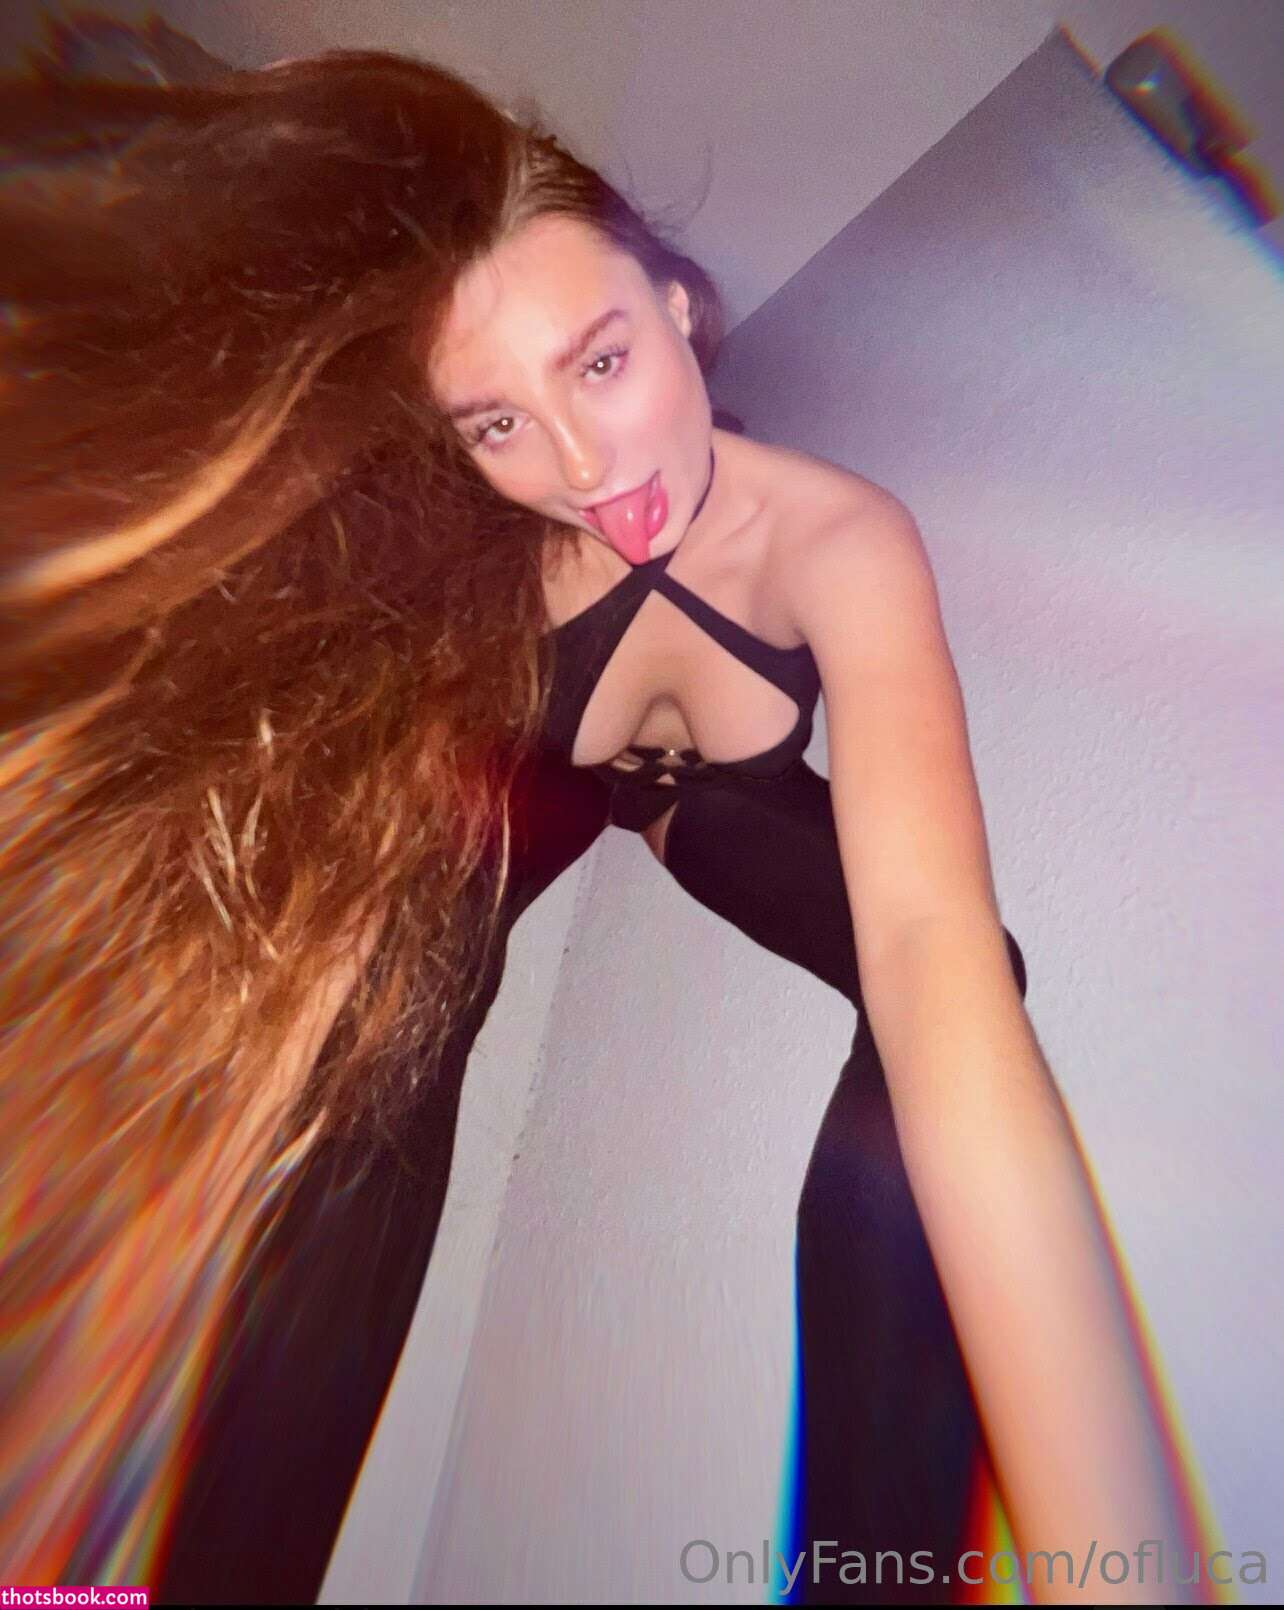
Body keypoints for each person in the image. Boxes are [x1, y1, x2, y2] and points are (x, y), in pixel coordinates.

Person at [0, 47, 1197, 1605]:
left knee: (966, 991)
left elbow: (926, 941)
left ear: (680, 306)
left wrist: (1128, 1566)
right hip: (503, 813)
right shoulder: (478, 558)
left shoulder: (839, 538)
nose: (580, 468)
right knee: (393, 1002)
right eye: (497, 422)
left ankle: (874, 1574)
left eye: (602, 362)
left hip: (720, 815)